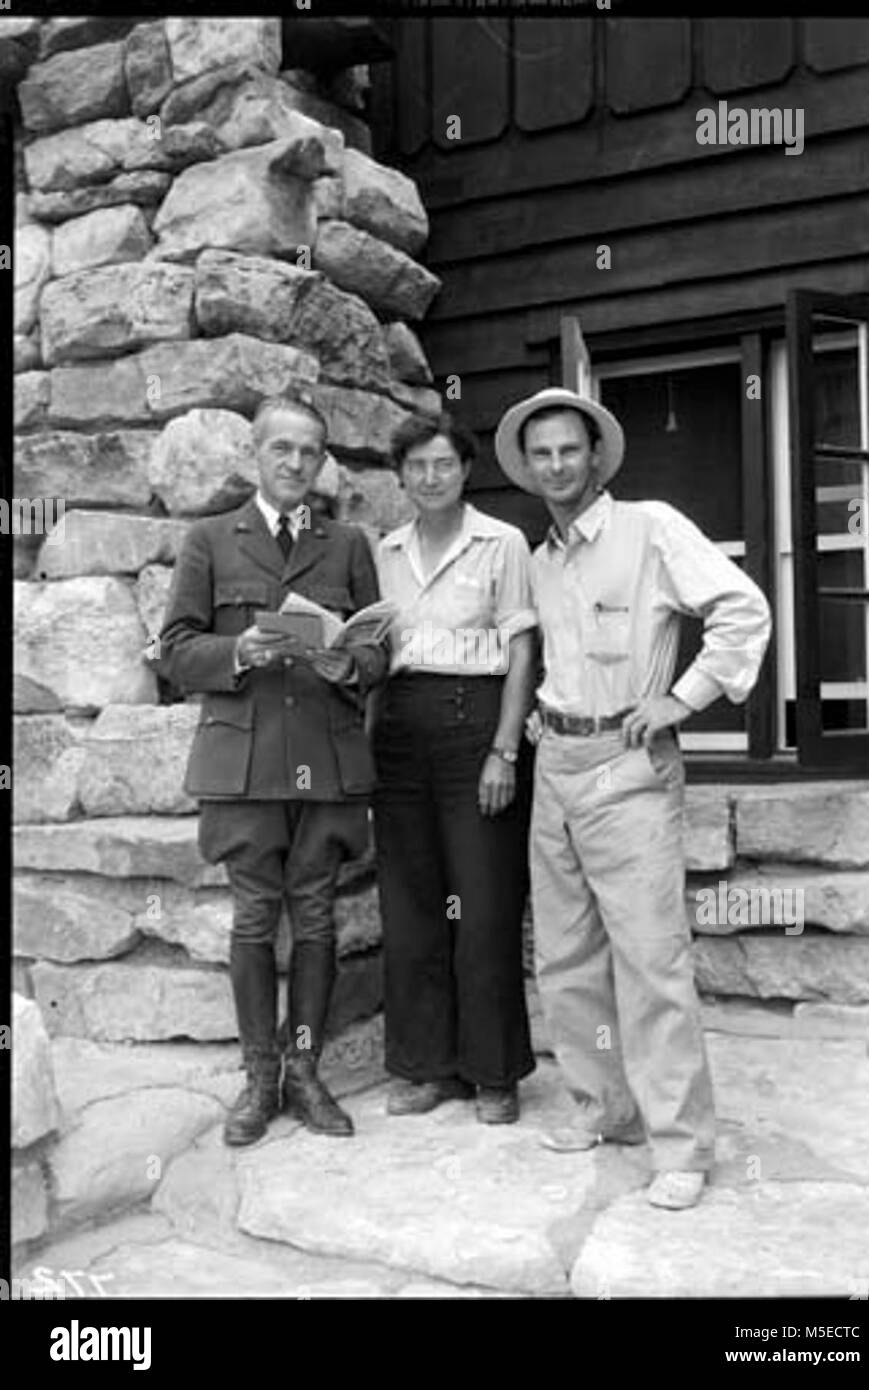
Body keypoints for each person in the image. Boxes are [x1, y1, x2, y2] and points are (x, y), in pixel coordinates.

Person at [494, 386, 772, 1208]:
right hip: (558, 762)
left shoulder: (650, 527)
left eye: (568, 450)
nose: (555, 465)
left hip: (630, 762)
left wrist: (680, 700)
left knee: (652, 963)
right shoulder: (540, 559)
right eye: (540, 454)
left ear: (594, 456)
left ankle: (682, 1148)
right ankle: (601, 1107)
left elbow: (742, 610)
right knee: (565, 955)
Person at [156, 395, 387, 1146]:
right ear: (256, 454)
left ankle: (307, 1072)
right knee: (256, 920)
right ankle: (259, 1078)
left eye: (309, 452)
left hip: (325, 761)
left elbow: (378, 650)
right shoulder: (212, 539)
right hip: (245, 765)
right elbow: (175, 650)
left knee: (316, 917)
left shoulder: (348, 543)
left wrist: (345, 659)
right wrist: (238, 653)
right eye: (281, 449)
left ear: (322, 463)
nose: (295, 463)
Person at [373, 412, 538, 1124]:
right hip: (401, 729)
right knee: (411, 904)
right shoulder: (383, 550)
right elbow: (376, 653)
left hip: (478, 726)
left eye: (444, 464)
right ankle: (427, 1067)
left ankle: (494, 1073)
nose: (431, 477)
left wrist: (505, 748)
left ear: (465, 470)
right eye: (417, 467)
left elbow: (524, 655)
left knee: (484, 903)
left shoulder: (503, 543)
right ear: (402, 475)